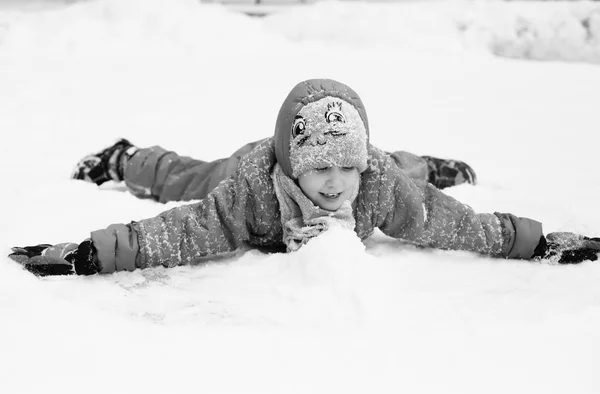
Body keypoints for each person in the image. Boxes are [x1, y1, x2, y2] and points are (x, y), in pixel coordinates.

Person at [8, 78, 600, 276]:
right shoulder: (251, 194)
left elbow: (452, 222)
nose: (337, 183)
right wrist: (94, 252)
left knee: (405, 173)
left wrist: (537, 241)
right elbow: (183, 229)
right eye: (320, 169)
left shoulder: (376, 182)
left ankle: (429, 162)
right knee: (184, 177)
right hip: (237, 165)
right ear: (295, 163)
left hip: (393, 165)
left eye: (348, 166)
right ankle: (126, 156)